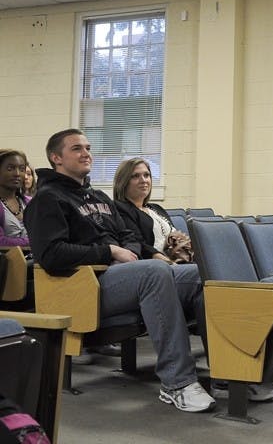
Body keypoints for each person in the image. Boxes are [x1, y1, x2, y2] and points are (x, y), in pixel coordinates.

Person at [24, 129, 215, 413]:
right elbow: (50, 255)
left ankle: (227, 371)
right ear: (56, 158)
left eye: (87, 147)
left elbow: (129, 235)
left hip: (122, 277)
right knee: (154, 272)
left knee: (201, 274)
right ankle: (178, 383)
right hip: (84, 286)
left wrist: (129, 253)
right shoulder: (47, 199)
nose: (86, 153)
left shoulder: (98, 196)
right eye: (76, 148)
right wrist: (110, 252)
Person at [111, 156, 273, 402]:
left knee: (212, 291)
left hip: (176, 265)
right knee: (205, 278)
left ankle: (228, 373)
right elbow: (136, 243)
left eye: (146, 175)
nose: (143, 180)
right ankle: (183, 380)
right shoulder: (121, 210)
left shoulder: (156, 209)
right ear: (124, 181)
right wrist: (163, 257)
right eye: (136, 176)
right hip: (154, 268)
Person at [0, 149, 35, 311]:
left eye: (21, 169)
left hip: (34, 263)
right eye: (10, 168)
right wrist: (35, 241)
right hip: (8, 269)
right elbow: (2, 241)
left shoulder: (31, 202)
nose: (17, 174)